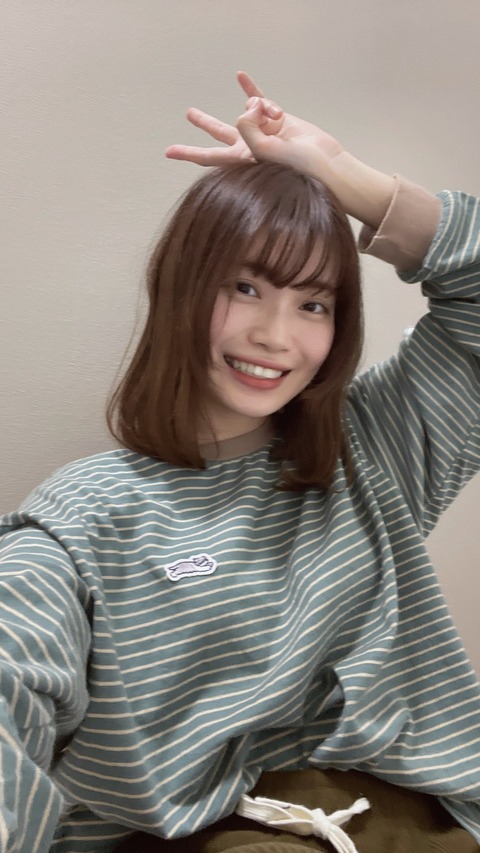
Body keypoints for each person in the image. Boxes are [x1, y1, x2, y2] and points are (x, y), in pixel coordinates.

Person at [0, 72, 479, 853]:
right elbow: (13, 658)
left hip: (429, 820)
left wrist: (340, 177)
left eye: (313, 302)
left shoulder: (374, 449)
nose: (275, 336)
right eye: (246, 287)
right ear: (182, 289)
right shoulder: (85, 516)